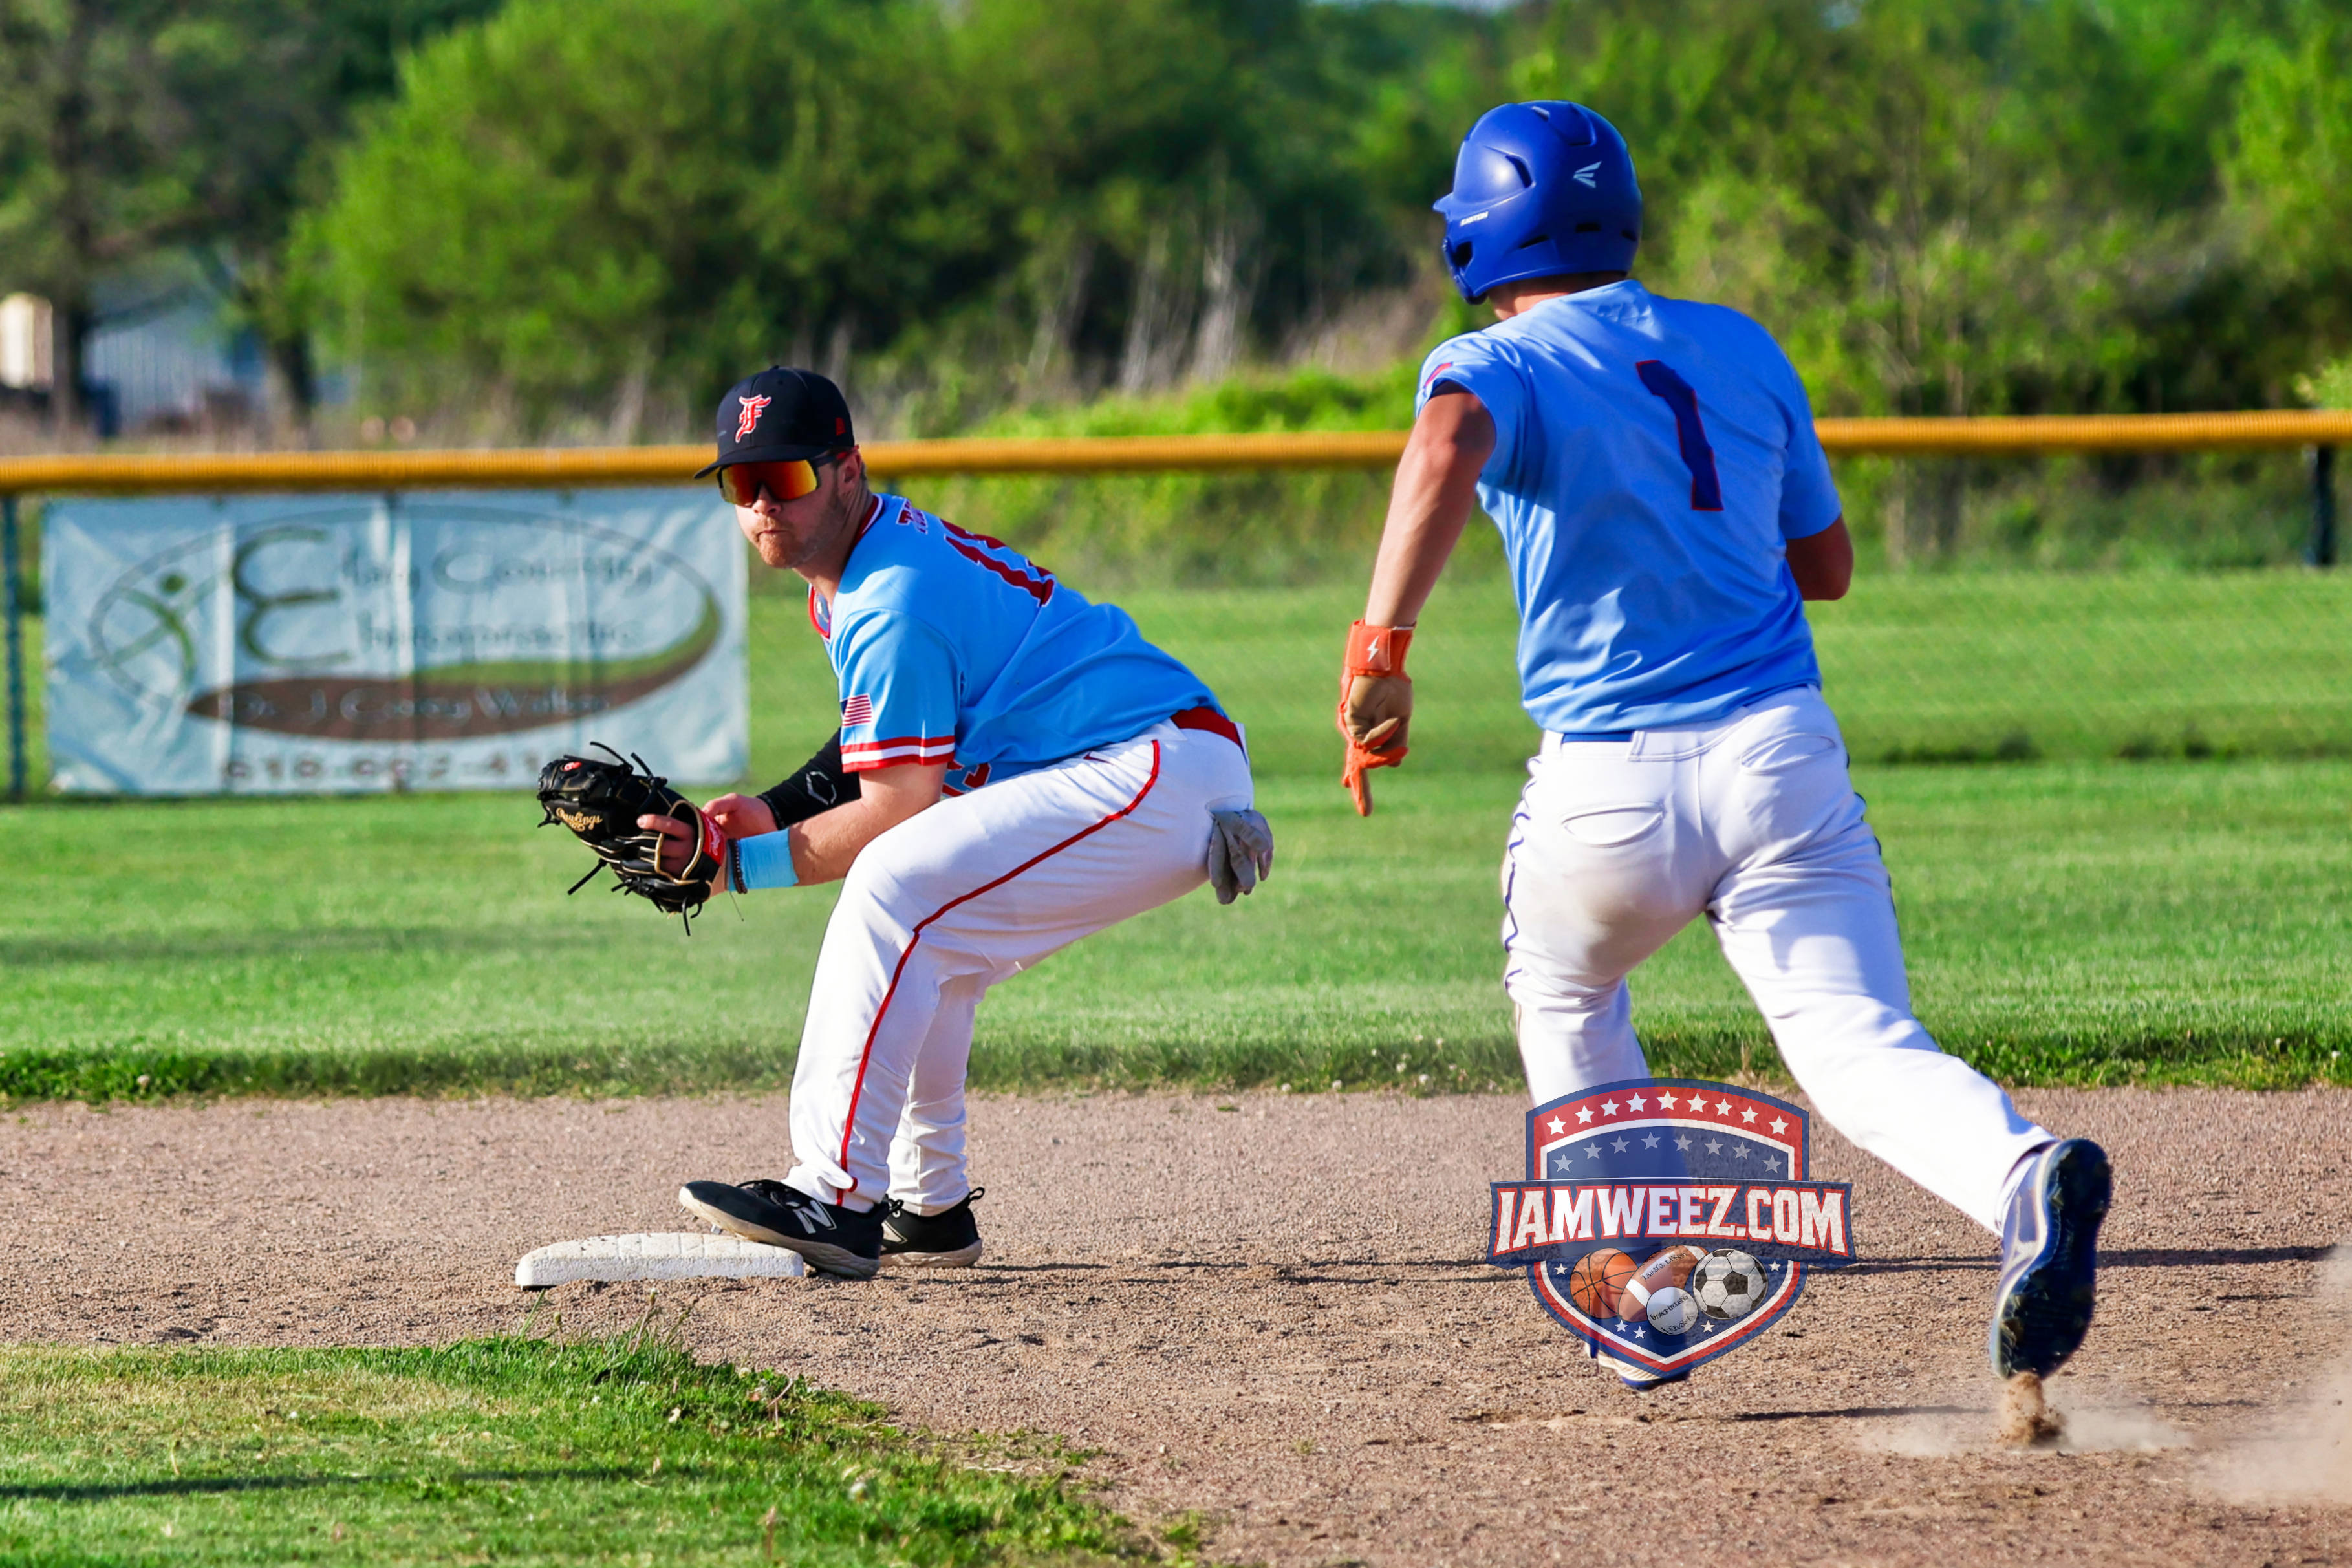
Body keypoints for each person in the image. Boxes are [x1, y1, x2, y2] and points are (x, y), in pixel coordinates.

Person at [1339, 102, 2109, 1389]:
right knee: (1855, 1040)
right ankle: (2023, 1173)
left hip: (1606, 781)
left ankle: (1650, 1290)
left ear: (1478, 236)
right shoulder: (1739, 345)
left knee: (1565, 992)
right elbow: (1828, 565)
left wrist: (1378, 649)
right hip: (1779, 755)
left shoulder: (1496, 360)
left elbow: (1445, 441)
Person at [647, 367, 1273, 1278]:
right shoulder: (858, 568)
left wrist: (736, 867)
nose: (763, 505)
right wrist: (775, 810)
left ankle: (832, 1194)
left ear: (848, 472)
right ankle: (929, 1204)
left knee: (893, 886)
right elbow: (891, 735)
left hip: (1151, 766)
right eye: (742, 485)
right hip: (1144, 762)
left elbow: (896, 806)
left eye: (785, 477)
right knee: (934, 941)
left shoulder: (889, 597)